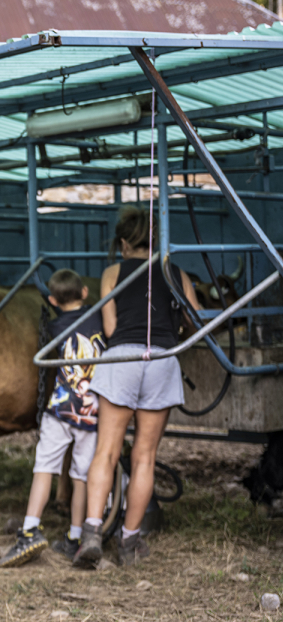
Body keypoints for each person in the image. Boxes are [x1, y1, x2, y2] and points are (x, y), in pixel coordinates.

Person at [73, 207, 200, 569]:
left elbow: (110, 329)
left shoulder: (113, 272)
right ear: (157, 241)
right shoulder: (177, 273)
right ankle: (130, 542)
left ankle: (93, 534)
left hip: (121, 360)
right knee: (144, 456)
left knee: (107, 452)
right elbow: (196, 319)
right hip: (162, 359)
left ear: (125, 242)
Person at [0, 269, 106, 568]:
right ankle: (75, 535)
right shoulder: (100, 319)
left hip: (60, 410)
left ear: (52, 300)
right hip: (91, 412)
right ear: (85, 292)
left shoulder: (55, 326)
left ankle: (31, 529)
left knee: (44, 468)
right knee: (81, 475)